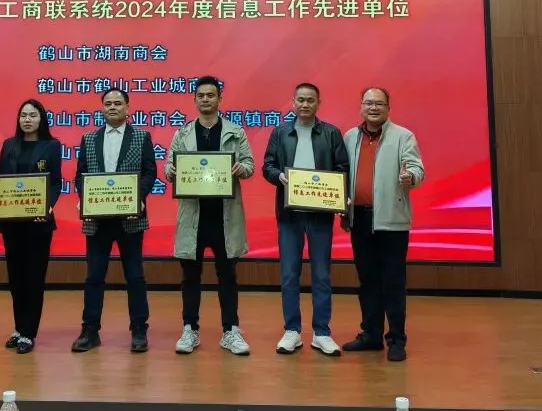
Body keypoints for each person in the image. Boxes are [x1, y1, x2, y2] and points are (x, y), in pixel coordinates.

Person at [165, 75, 255, 356]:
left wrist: (241, 168)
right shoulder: (182, 133)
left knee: (227, 275)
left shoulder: (235, 132)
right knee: (190, 276)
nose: (206, 99)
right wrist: (171, 171)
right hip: (193, 216)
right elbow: (169, 167)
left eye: (211, 95)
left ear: (219, 99)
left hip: (224, 216)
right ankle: (189, 329)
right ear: (194, 100)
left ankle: (230, 330)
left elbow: (250, 164)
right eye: (201, 95)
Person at [262, 82, 350, 358]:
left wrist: (340, 196)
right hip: (289, 215)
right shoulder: (280, 132)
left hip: (320, 215)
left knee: (322, 275)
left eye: (310, 100)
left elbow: (342, 169)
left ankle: (321, 332)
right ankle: (292, 330)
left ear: (318, 103)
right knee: (289, 274)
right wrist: (279, 176)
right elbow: (267, 166)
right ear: (293, 102)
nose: (305, 104)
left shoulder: (331, 133)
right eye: (300, 99)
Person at [341, 87, 425, 362]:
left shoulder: (403, 136)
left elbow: (417, 168)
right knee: (367, 281)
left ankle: (397, 340)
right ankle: (371, 335)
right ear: (361, 106)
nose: (373, 108)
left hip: (391, 221)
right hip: (359, 219)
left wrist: (410, 177)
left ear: (388, 108)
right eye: (368, 103)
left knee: (392, 282)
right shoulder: (350, 137)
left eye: (379, 103)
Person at [71, 87, 158, 353]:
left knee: (135, 275)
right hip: (97, 219)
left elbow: (149, 172)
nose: (112, 107)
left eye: (118, 103)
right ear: (102, 108)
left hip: (130, 217)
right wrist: (85, 197)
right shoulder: (89, 139)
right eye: (108, 103)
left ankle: (139, 329)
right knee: (94, 276)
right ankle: (90, 330)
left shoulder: (141, 136)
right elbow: (80, 176)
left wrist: (138, 197)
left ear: (127, 108)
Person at [0, 99, 63, 354]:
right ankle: (18, 327)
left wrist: (47, 206)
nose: (27, 119)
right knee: (16, 277)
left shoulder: (51, 145)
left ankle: (28, 332)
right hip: (12, 222)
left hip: (38, 223)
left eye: (33, 115)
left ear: (41, 119)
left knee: (33, 277)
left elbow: (55, 182)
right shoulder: (8, 145)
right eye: (23, 115)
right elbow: (1, 180)